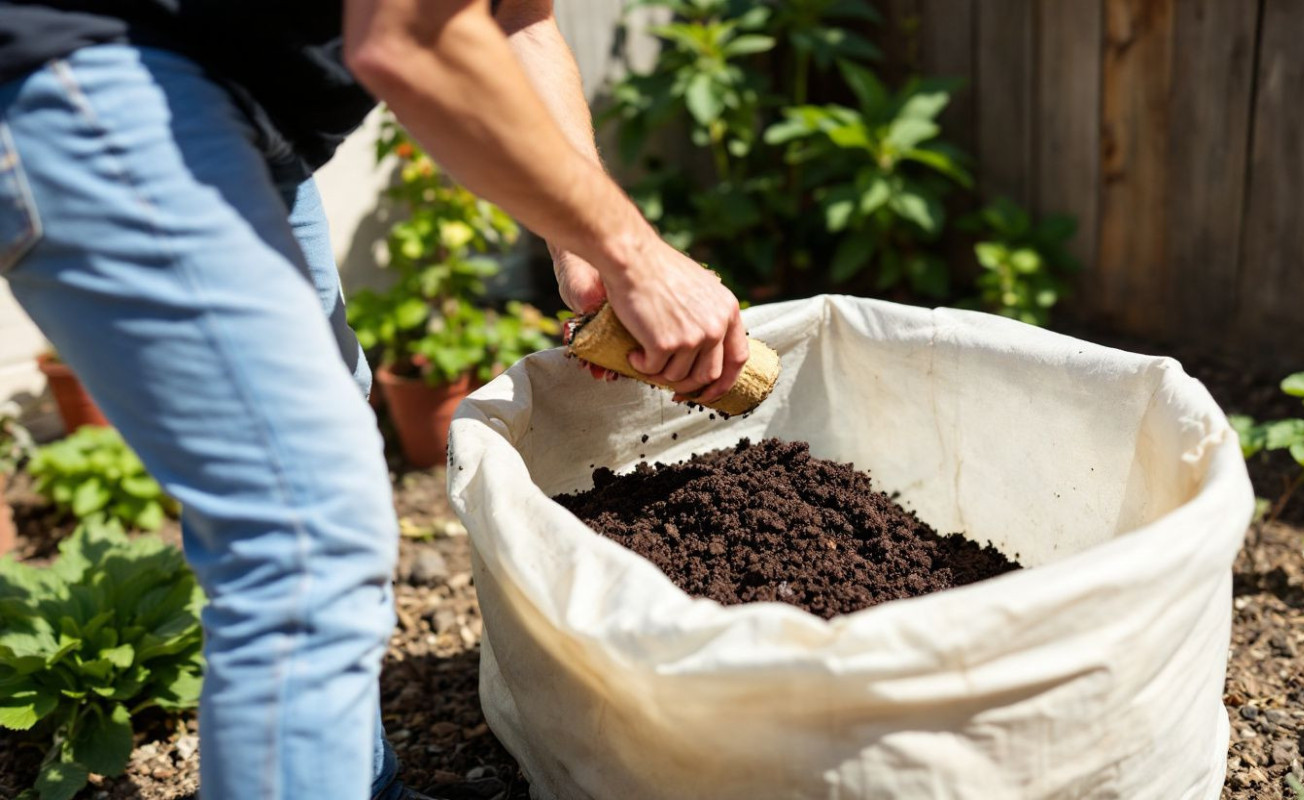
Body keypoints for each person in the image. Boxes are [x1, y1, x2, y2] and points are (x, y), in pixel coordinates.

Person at [0, 1, 750, 798]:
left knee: (324, 446)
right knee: (304, 535)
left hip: (229, 102)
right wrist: (633, 252)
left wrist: (583, 253)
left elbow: (518, 20)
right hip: (92, 81)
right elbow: (408, 41)